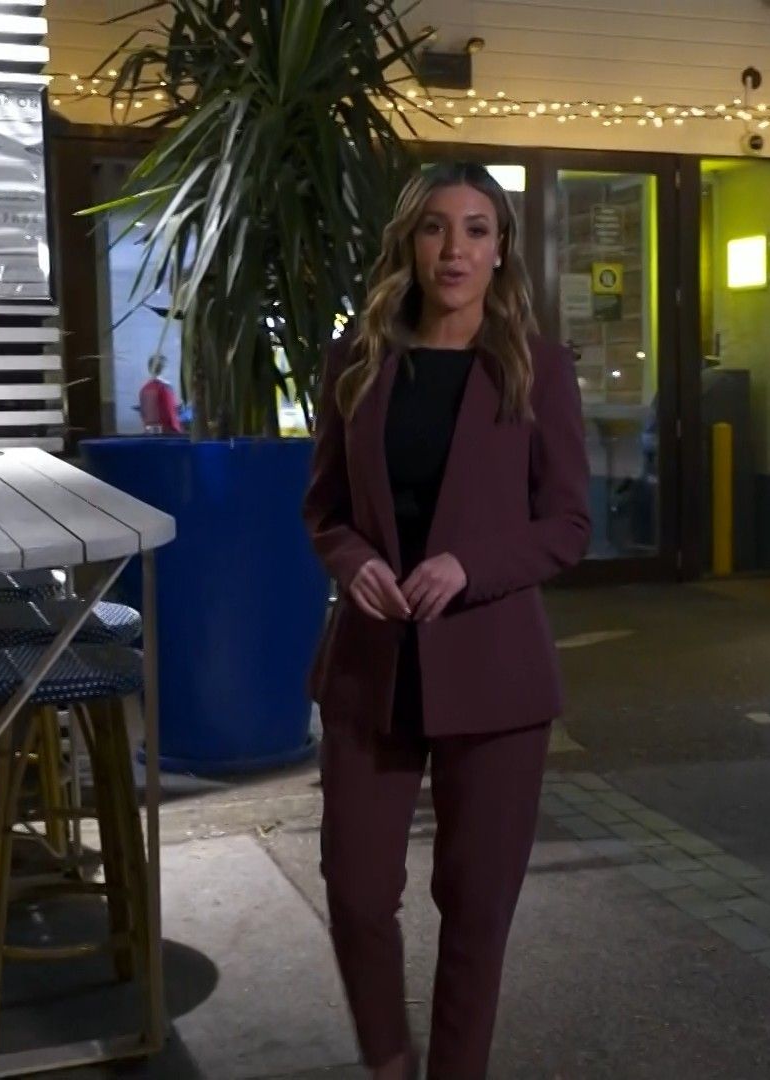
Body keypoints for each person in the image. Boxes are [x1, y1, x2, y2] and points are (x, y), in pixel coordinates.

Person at [301, 163, 591, 1080]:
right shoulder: (356, 362)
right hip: (372, 668)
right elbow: (325, 510)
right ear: (410, 243)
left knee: (475, 908)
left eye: (475, 229)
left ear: (500, 250)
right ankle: (389, 1062)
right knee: (356, 893)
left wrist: (469, 566)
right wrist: (355, 562)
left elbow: (568, 525)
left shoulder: (537, 369)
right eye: (435, 227)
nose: (454, 249)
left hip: (496, 676)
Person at [137, 354, 184, 434]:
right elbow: (170, 413)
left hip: (149, 433)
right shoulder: (165, 388)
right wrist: (177, 430)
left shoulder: (144, 388)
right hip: (166, 433)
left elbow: (143, 413)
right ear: (164, 369)